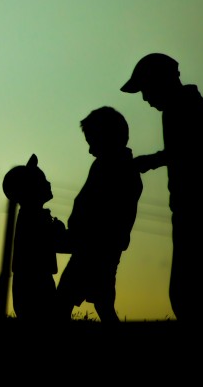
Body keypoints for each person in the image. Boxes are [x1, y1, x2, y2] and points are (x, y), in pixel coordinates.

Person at [120, 53, 203, 322]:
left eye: (145, 89)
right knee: (194, 294)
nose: (145, 98)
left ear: (160, 82)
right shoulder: (181, 109)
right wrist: (154, 161)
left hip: (202, 209)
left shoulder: (194, 107)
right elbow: (183, 151)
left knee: (198, 294)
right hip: (191, 208)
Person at [56, 106, 142, 323]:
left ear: (107, 138)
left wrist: (79, 233)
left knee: (65, 299)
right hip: (94, 246)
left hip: (95, 247)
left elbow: (107, 212)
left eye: (93, 142)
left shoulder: (118, 169)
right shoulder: (108, 166)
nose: (90, 150)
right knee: (101, 301)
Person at [2, 154, 66, 321]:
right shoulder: (34, 217)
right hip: (36, 284)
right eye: (42, 180)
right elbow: (58, 243)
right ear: (31, 190)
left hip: (29, 283)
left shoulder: (31, 215)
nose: (48, 183)